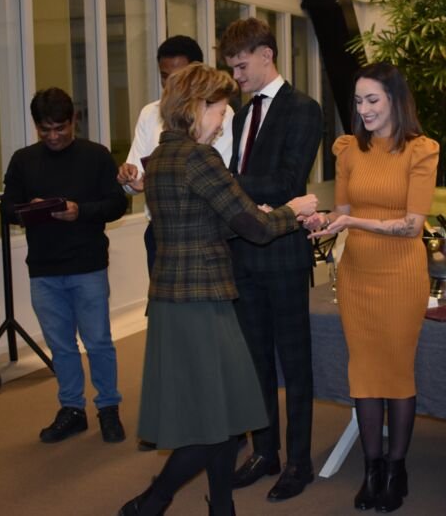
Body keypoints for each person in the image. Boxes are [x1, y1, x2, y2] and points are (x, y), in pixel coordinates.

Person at [118, 62, 318, 516]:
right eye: (221, 108)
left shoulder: (164, 156)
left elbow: (205, 223)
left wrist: (255, 214)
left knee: (228, 416)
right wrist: (293, 209)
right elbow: (255, 228)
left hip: (178, 299)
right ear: (196, 107)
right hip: (201, 302)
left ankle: (219, 506)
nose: (226, 118)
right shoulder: (198, 157)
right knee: (220, 422)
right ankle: (153, 501)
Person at [305, 62, 439, 512]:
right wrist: (316, 220)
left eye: (372, 100)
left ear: (395, 100)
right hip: (357, 273)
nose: (363, 109)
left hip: (402, 273)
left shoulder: (421, 150)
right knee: (363, 373)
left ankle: (396, 469)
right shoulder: (348, 149)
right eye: (358, 101)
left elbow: (411, 226)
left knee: (396, 372)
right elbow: (340, 211)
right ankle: (372, 467)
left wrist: (350, 221)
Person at [218, 17, 323, 502]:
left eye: (240, 67)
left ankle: (299, 460)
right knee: (255, 362)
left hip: (283, 255)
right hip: (243, 254)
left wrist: (222, 184)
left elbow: (286, 184)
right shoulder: (240, 116)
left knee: (294, 365)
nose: (235, 78)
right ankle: (266, 452)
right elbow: (255, 183)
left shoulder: (303, 109)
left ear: (266, 54)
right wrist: (236, 192)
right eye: (231, 68)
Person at [1, 87, 128, 444]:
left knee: (99, 341)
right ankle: (72, 409)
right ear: (36, 126)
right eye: (46, 129)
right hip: (43, 268)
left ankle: (108, 408)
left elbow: (117, 205)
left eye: (61, 127)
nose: (54, 136)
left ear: (74, 120)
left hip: (87, 264)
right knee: (61, 346)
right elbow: (8, 208)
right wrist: (31, 208)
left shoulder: (97, 156)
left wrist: (79, 211)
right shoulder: (23, 160)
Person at [116, 35, 234, 273]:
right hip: (160, 230)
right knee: (163, 305)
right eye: (164, 76)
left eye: (178, 77)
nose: (170, 84)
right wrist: (130, 180)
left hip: (203, 230)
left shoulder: (219, 113)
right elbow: (134, 181)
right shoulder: (150, 113)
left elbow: (220, 177)